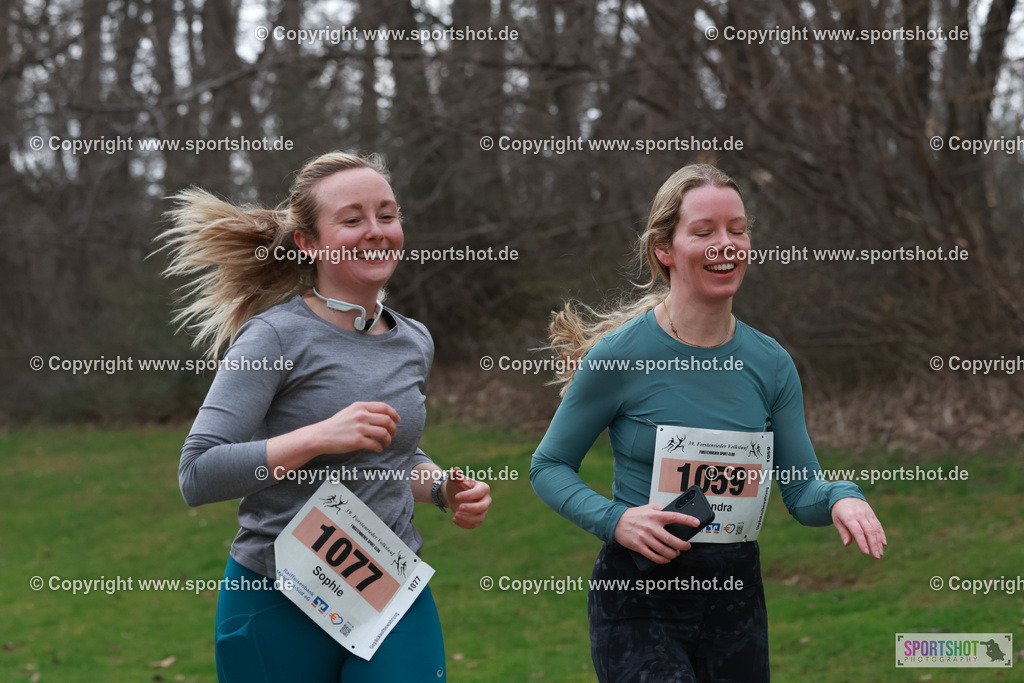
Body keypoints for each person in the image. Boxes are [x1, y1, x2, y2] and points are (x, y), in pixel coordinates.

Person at [529, 164, 886, 682]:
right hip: (640, 597)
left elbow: (801, 491)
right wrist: (616, 521)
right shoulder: (620, 356)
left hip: (735, 599)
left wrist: (841, 497)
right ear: (663, 249)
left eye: (737, 230)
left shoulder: (771, 364)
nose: (726, 244)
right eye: (704, 232)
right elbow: (549, 465)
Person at [159, 151, 491, 682]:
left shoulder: (413, 339)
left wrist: (442, 488)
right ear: (308, 242)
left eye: (387, 214)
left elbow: (391, 453)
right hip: (276, 593)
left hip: (386, 584)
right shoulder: (273, 337)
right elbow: (196, 474)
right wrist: (317, 437)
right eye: (353, 219)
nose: (377, 231)